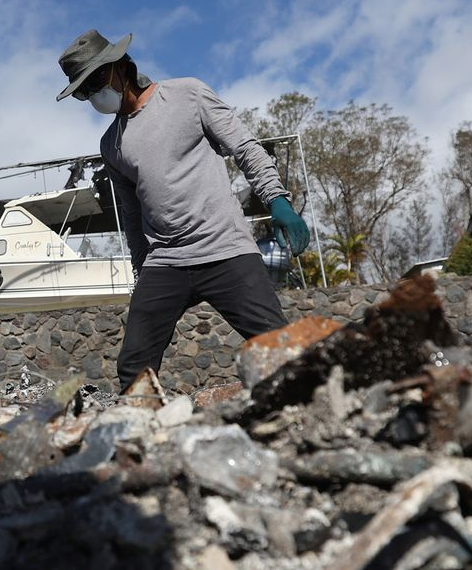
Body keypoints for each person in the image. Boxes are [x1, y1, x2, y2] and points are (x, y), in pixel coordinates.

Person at [56, 30, 310, 391]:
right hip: (166, 263)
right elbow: (131, 211)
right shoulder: (111, 144)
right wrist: (141, 268)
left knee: (282, 352)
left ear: (118, 68)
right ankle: (148, 436)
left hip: (226, 249)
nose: (92, 95)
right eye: (83, 92)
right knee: (134, 367)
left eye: (94, 82)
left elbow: (246, 148)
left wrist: (278, 201)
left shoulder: (188, 94)